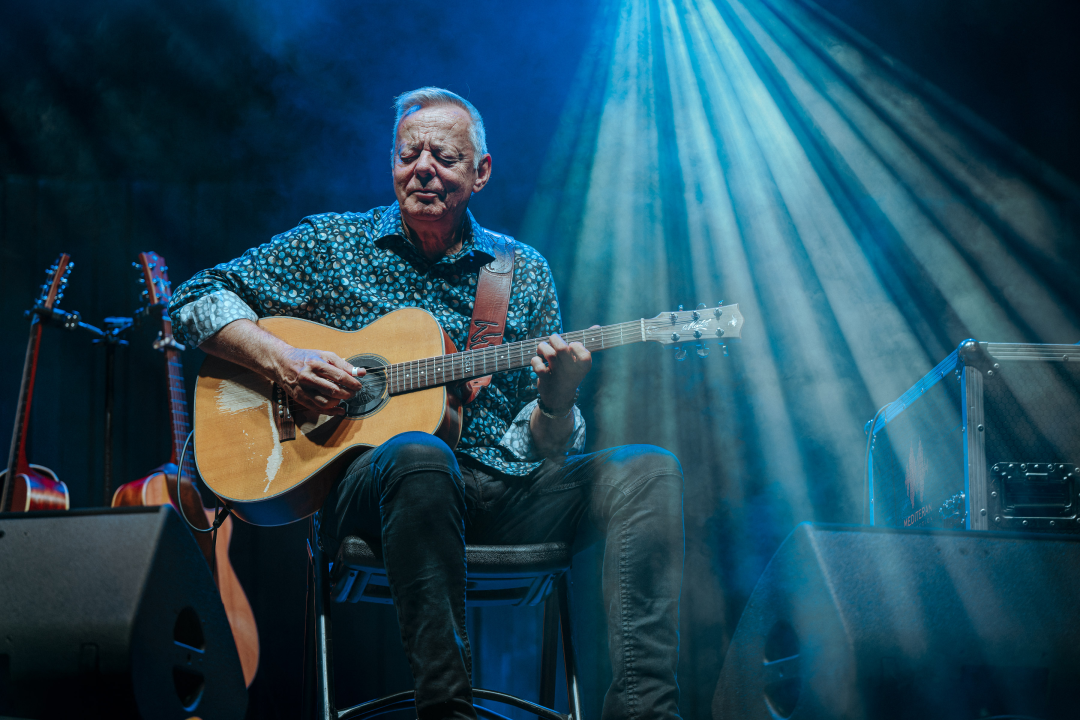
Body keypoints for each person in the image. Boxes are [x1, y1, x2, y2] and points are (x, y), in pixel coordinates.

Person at [169, 87, 684, 720]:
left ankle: (647, 713)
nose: (424, 168)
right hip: (378, 496)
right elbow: (193, 297)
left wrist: (557, 401)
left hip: (502, 495)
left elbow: (541, 450)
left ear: (481, 171)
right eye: (410, 153)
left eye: (444, 154)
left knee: (649, 470)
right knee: (420, 453)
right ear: (392, 165)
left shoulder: (520, 270)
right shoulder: (333, 245)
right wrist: (286, 360)